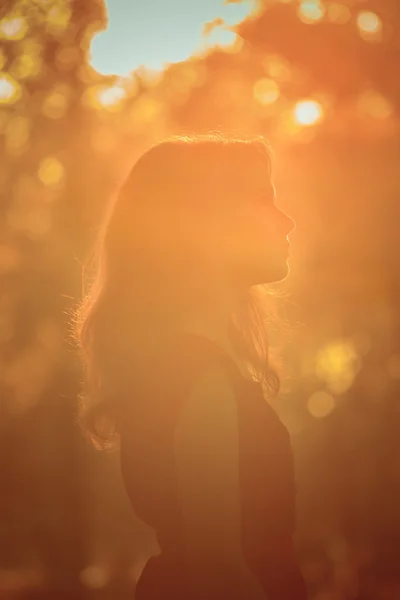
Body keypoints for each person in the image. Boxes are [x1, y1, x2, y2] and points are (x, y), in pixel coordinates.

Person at [72, 133, 308, 599]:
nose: (288, 222)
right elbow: (220, 572)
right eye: (264, 201)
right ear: (206, 223)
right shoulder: (201, 381)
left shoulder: (178, 368)